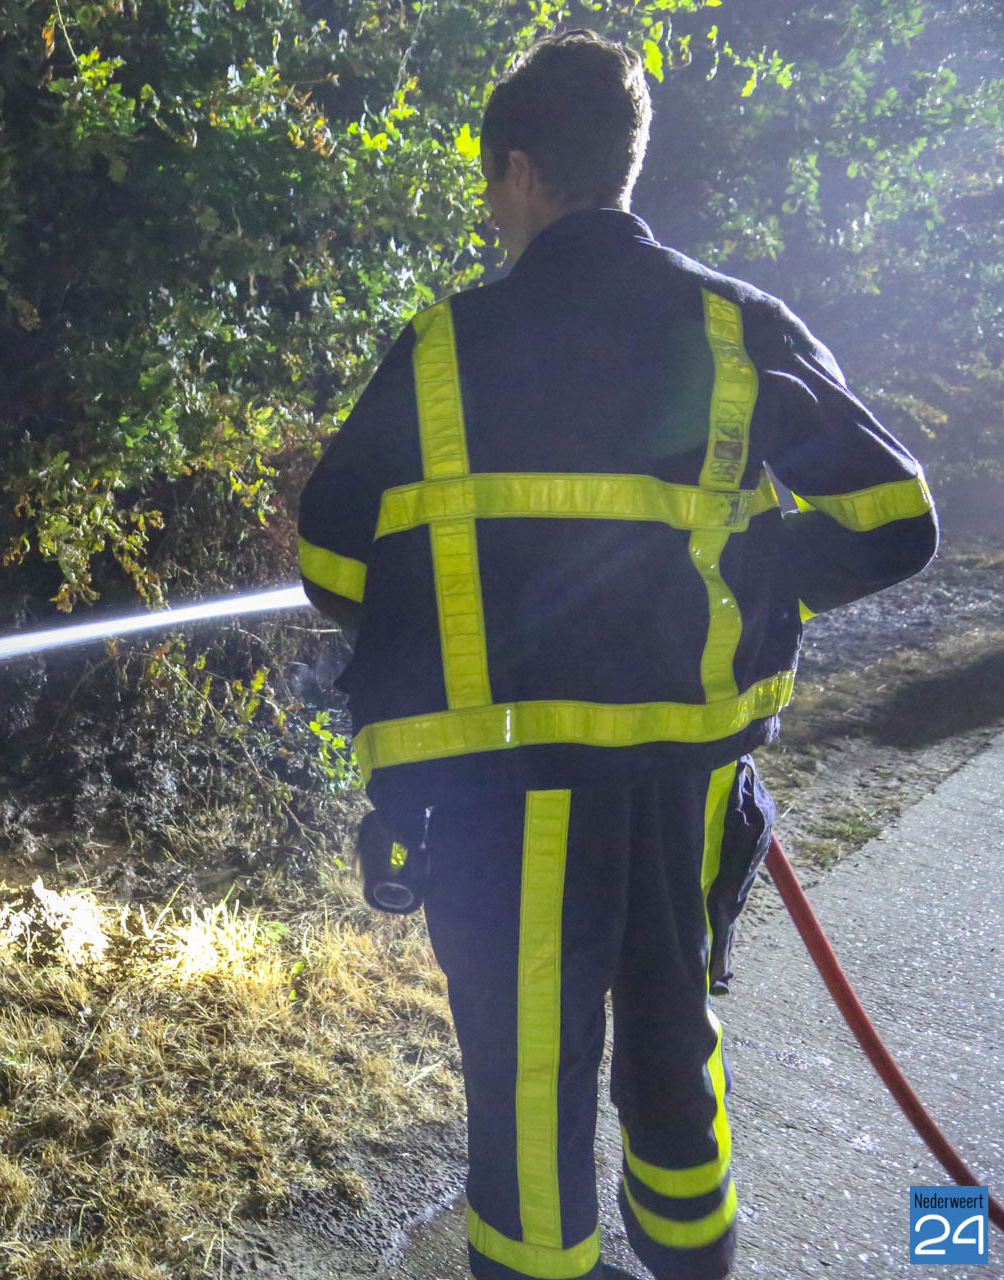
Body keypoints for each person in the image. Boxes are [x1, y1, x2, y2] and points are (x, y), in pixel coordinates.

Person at [295, 30, 937, 1280]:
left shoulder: (445, 346)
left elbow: (332, 562)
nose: (492, 213)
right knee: (670, 1040)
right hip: (683, 780)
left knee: (530, 1076)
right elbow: (894, 521)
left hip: (505, 788)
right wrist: (756, 577)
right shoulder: (738, 327)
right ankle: (694, 1255)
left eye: (492, 185)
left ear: (521, 171)